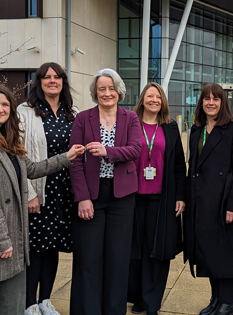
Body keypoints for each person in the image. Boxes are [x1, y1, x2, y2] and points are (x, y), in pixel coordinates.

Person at [0, 85, 84, 315]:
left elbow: (31, 168)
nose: (0, 109)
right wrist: (3, 241)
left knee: (12, 307)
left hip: (13, 241)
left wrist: (67, 157)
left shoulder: (9, 139)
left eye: (5, 105)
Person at [68, 68, 143, 315]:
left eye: (111, 88)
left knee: (117, 260)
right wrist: (82, 198)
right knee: (88, 260)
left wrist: (108, 152)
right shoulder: (83, 118)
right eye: (102, 89)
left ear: (119, 91)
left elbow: (135, 150)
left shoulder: (130, 118)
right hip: (91, 194)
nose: (107, 93)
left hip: (122, 197)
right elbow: (75, 160)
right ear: (95, 92)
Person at [18, 62, 78, 314]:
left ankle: (46, 300)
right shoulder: (25, 111)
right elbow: (18, 153)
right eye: (46, 77)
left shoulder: (72, 111)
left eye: (57, 77)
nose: (52, 81)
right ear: (38, 81)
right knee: (35, 248)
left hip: (63, 190)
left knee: (52, 246)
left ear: (63, 81)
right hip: (39, 189)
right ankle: (29, 303)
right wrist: (30, 193)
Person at [183, 83, 233, 315]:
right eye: (206, 98)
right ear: (201, 103)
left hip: (221, 203)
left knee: (224, 254)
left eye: (216, 99)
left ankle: (228, 303)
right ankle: (216, 300)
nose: (211, 102)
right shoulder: (197, 130)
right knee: (208, 253)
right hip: (199, 202)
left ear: (223, 103)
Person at [127, 82, 186, 315]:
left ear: (163, 102)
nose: (154, 100)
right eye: (150, 96)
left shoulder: (170, 127)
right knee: (134, 250)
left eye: (158, 97)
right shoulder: (130, 124)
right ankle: (138, 297)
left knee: (158, 250)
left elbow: (180, 165)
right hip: (132, 197)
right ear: (142, 99)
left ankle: (152, 302)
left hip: (162, 198)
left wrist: (181, 196)